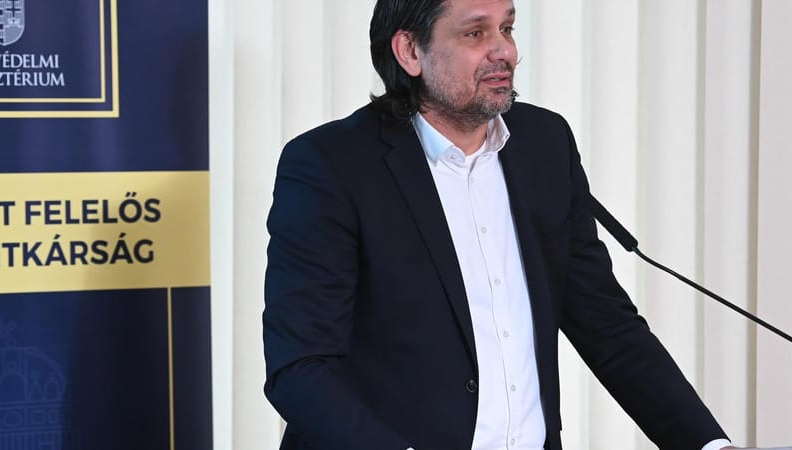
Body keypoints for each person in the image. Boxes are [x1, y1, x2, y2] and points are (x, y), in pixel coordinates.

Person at [263, 1, 741, 449]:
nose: (505, 51)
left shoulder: (544, 144)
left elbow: (607, 327)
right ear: (410, 51)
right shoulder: (332, 165)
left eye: (507, 28)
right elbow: (300, 367)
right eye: (475, 33)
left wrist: (708, 445)